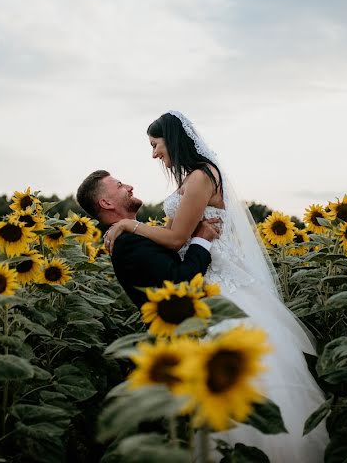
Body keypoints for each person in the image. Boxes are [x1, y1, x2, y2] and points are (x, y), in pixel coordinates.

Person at [102, 110, 330, 463]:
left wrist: (129, 227)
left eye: (155, 144)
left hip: (222, 283)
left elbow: (177, 236)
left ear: (171, 139)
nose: (153, 154)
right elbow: (177, 239)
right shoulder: (189, 180)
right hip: (203, 281)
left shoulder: (200, 176)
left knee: (241, 370)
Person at [75, 169, 222, 309]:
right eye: (120, 186)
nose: (130, 187)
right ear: (106, 203)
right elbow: (180, 282)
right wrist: (201, 240)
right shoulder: (127, 243)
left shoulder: (136, 234)